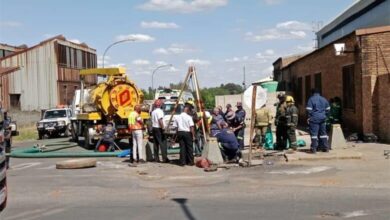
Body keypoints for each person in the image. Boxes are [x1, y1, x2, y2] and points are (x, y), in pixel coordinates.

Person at [306, 88, 330, 153]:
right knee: (323, 133)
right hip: (322, 118)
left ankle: (314, 149)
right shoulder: (323, 99)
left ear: (312, 93)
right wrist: (325, 115)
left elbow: (308, 110)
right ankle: (326, 148)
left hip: (314, 119)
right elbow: (328, 109)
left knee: (314, 134)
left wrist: (309, 117)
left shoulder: (311, 99)